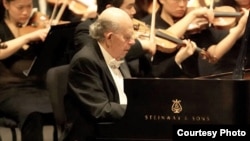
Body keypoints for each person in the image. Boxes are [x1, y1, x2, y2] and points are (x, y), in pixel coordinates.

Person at [63, 7, 196, 141]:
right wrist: (142, 110)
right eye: (127, 37)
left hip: (121, 126)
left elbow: (140, 85)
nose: (133, 42)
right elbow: (101, 110)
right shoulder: (85, 61)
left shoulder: (118, 52)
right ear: (109, 37)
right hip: (96, 134)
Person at [141, 0, 249, 77]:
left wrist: (239, 29)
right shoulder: (148, 25)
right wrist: (192, 15)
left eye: (185, 0)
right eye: (177, 0)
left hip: (192, 83)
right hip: (161, 82)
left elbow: (214, 54)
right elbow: (166, 37)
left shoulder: (196, 25)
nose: (182, 5)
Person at [0, 0, 54, 140]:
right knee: (32, 113)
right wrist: (27, 37)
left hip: (37, 86)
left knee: (73, 106)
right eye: (20, 7)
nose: (25, 12)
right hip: (8, 90)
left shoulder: (35, 25)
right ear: (6, 4)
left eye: (29, 6)